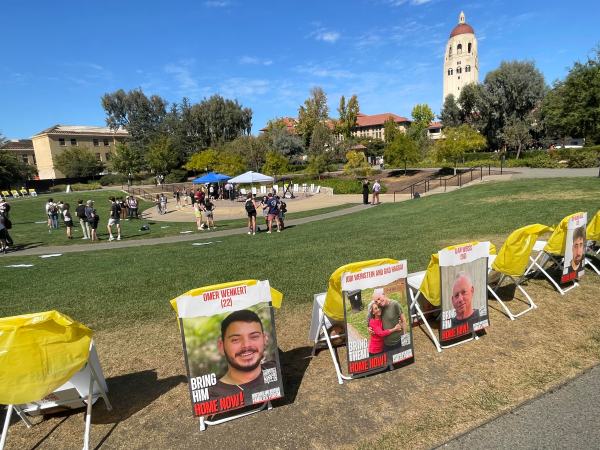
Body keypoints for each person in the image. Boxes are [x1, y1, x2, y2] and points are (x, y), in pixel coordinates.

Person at [207, 310, 277, 398]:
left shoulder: (277, 369)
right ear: (221, 346)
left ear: (264, 339)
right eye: (235, 340)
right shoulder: (213, 395)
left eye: (254, 336)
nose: (246, 345)